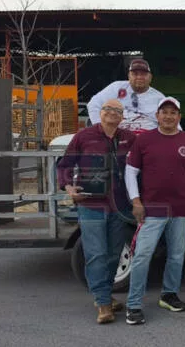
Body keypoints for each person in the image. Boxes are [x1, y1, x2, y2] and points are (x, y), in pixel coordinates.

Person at [123, 97, 185, 325]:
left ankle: (169, 295)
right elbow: (130, 172)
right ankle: (133, 305)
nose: (169, 116)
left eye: (173, 112)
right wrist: (136, 201)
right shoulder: (144, 141)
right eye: (164, 112)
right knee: (142, 256)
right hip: (152, 210)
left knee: (177, 255)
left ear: (179, 117)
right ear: (157, 115)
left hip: (181, 209)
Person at [57, 99, 136, 324]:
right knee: (96, 254)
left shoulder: (129, 139)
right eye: (108, 109)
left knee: (113, 255)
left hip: (120, 207)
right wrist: (69, 187)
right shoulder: (84, 137)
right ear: (99, 113)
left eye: (117, 111)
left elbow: (141, 165)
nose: (112, 113)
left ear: (122, 117)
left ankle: (105, 295)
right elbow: (64, 165)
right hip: (91, 205)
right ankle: (103, 304)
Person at [87, 58, 171, 134]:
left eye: (143, 74)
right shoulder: (116, 87)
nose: (139, 77)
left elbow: (172, 122)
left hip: (147, 139)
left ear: (150, 77)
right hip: (116, 138)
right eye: (135, 74)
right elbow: (94, 104)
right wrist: (99, 128)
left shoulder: (159, 98)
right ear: (129, 76)